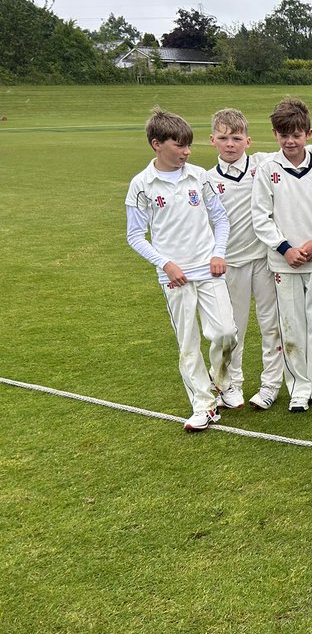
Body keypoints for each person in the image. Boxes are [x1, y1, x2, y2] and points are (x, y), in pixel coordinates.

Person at [207, 108, 312, 411]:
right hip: (234, 262)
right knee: (233, 328)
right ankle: (231, 385)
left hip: (265, 261)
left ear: (248, 140)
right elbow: (257, 217)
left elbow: (301, 143)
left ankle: (272, 385)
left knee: (275, 327)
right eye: (223, 138)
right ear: (212, 140)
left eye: (236, 138)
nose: (230, 144)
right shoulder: (208, 178)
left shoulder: (260, 163)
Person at [125, 108, 237, 432]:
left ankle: (221, 381)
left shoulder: (199, 176)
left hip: (209, 269)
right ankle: (204, 405)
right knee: (187, 343)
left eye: (189, 146)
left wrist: (218, 252)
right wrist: (166, 264)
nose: (187, 152)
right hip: (175, 276)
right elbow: (134, 236)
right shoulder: (141, 185)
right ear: (156, 144)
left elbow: (221, 219)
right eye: (179, 146)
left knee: (225, 332)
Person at [250, 98, 312, 412]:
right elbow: (260, 217)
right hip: (284, 262)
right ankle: (299, 390)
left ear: (308, 134)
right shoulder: (267, 169)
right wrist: (285, 248)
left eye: (297, 135)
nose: (290, 141)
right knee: (291, 326)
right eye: (283, 134)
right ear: (275, 134)